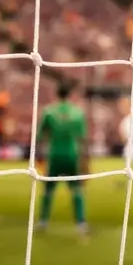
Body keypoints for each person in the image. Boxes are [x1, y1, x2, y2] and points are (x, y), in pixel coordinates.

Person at [36, 83, 89, 237]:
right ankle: (81, 223)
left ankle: (43, 221)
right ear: (70, 95)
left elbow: (40, 136)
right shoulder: (78, 113)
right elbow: (82, 139)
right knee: (77, 190)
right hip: (72, 155)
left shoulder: (48, 111)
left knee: (48, 190)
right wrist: (85, 162)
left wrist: (39, 156)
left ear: (56, 94)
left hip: (54, 155)